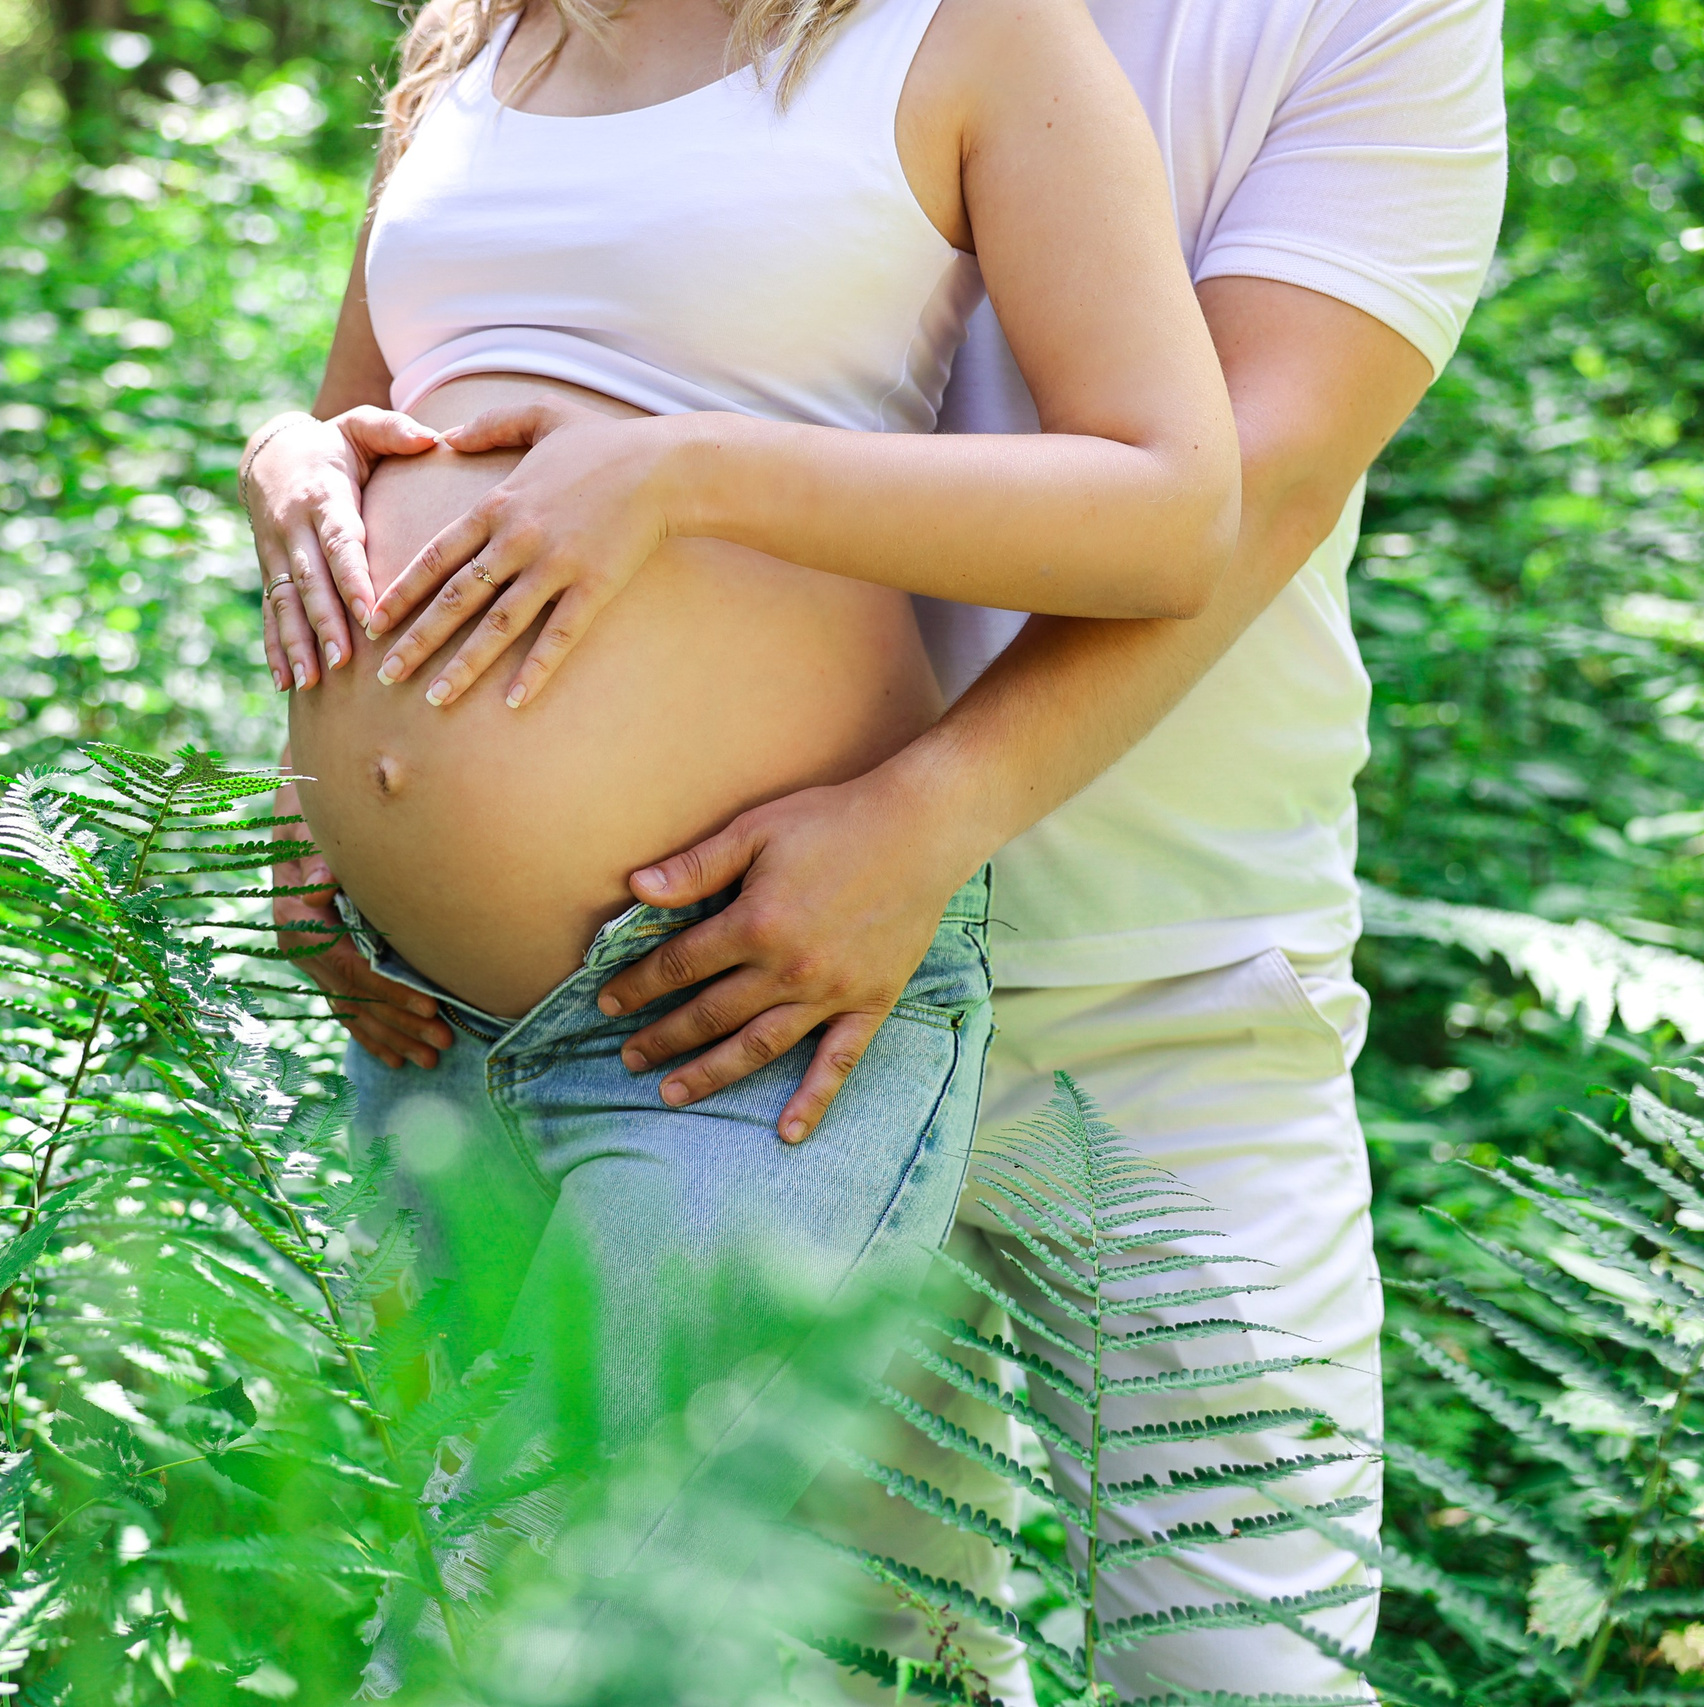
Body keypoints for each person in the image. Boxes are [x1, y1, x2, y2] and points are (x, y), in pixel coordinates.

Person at [262, 0, 1509, 1689]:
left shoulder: (1337, 19)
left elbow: (1241, 485)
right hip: (639, 995)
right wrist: (328, 756)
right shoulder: (521, 36)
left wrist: (920, 818)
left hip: (1152, 976)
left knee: (1240, 1667)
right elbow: (397, 403)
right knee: (799, 1654)